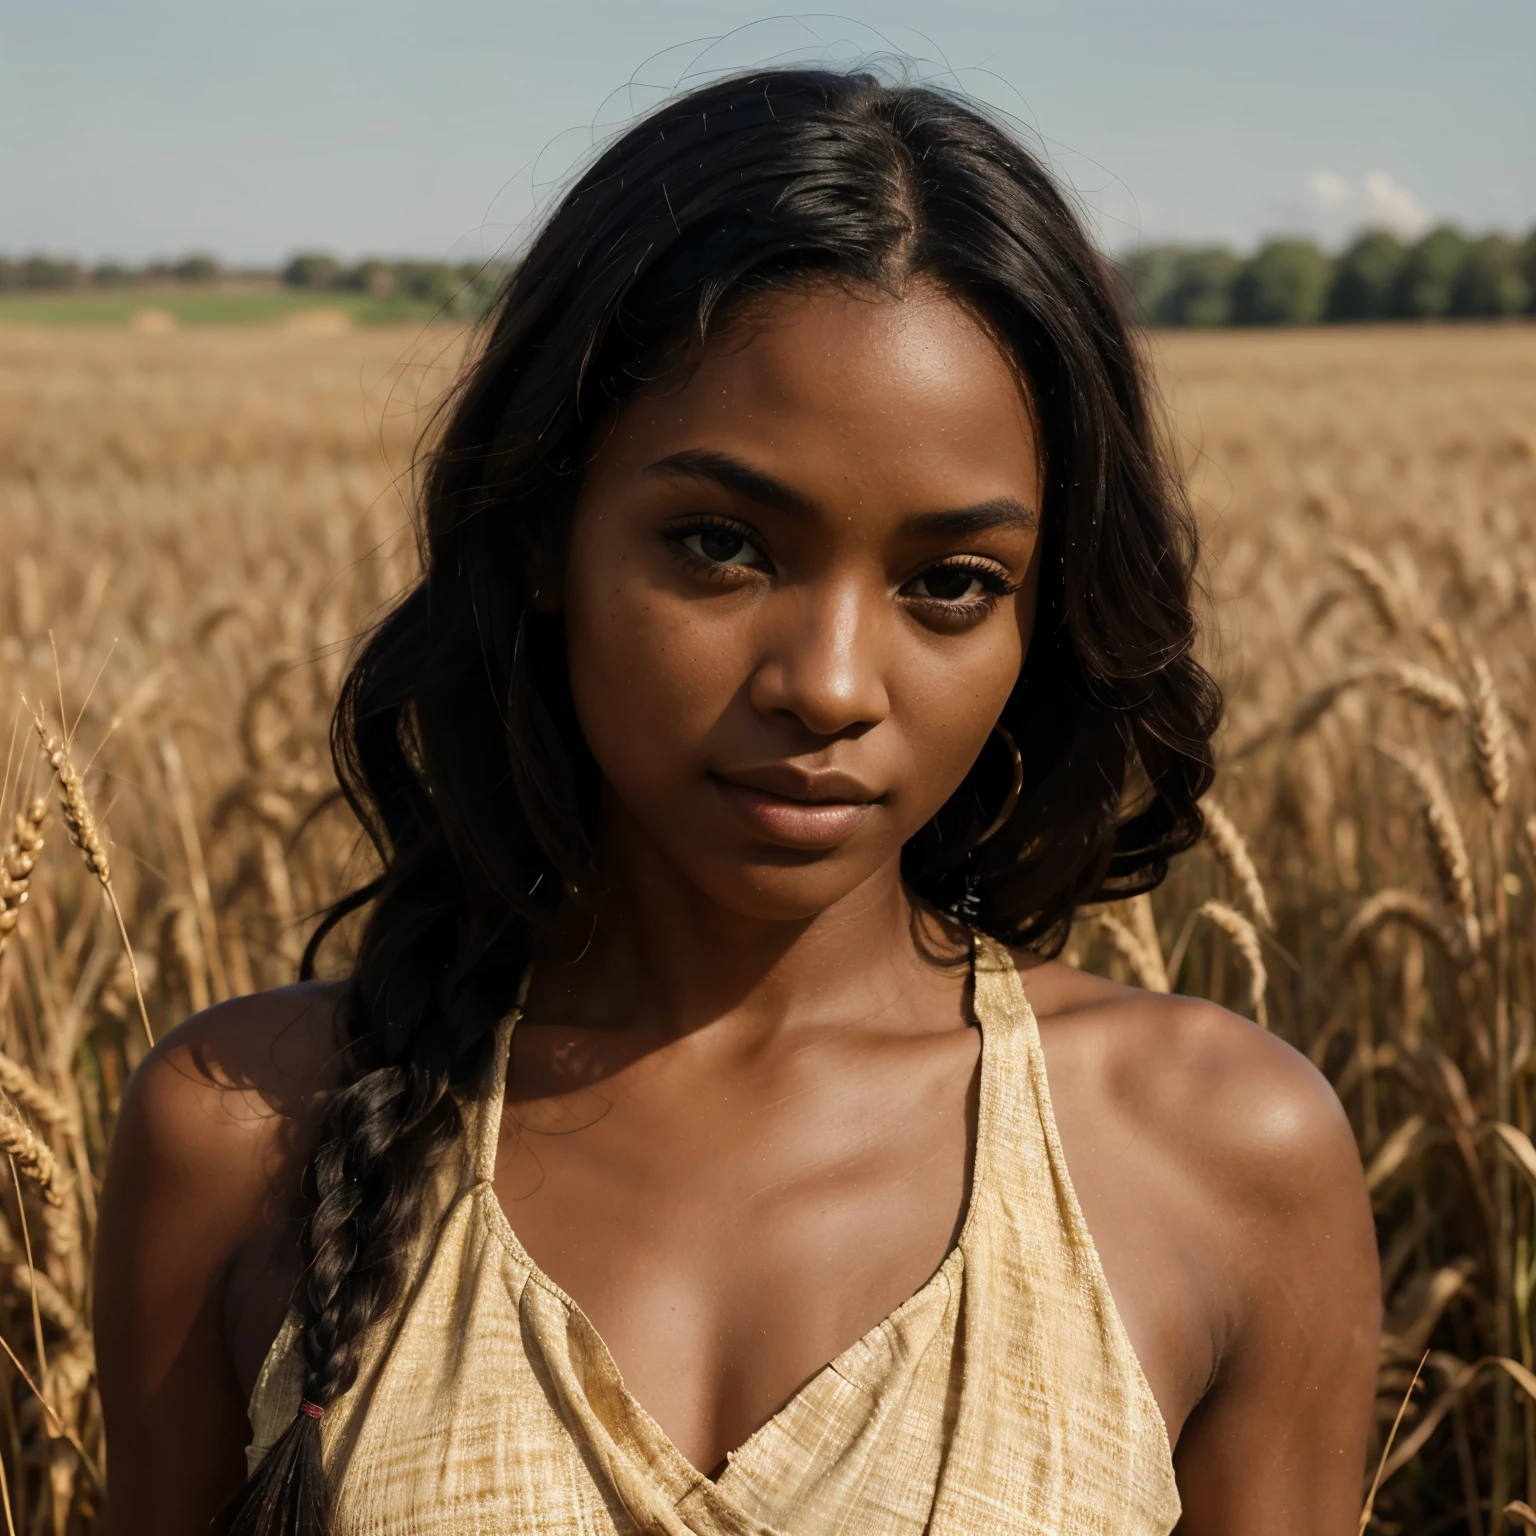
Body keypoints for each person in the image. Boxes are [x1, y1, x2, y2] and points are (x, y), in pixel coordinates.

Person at [94, 67, 1379, 1536]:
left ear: (1048, 620)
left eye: (951, 584)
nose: (829, 683)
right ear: (538, 540)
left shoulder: (1221, 1155)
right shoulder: (244, 1137)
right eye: (719, 544)